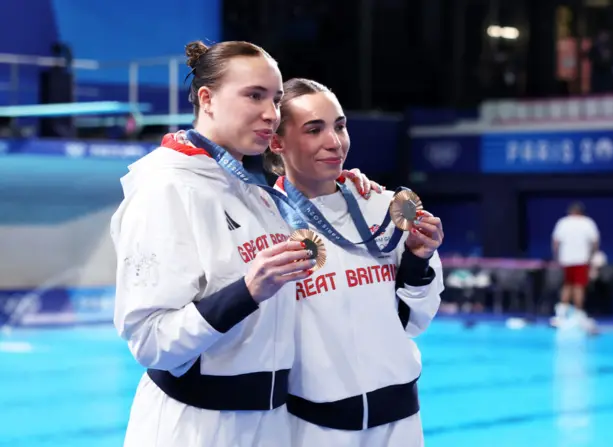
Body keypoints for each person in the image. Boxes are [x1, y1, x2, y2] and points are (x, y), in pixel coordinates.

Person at [110, 41, 380, 447]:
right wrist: (247, 291)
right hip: (196, 428)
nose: (271, 114)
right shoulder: (165, 189)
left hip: (269, 424)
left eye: (275, 98)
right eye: (254, 96)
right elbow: (151, 340)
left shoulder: (249, 192)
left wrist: (345, 187)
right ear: (208, 99)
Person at [264, 78, 445, 447]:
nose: (334, 142)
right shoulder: (263, 222)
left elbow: (414, 320)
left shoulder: (384, 207)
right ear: (277, 142)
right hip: (312, 429)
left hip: (401, 424)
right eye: (314, 129)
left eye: (340, 125)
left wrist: (417, 259)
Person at [551, 201, 600, 326]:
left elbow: (556, 242)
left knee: (567, 285)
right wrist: (592, 256)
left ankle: (561, 314)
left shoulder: (563, 223)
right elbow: (595, 242)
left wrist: (556, 257)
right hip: (581, 259)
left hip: (566, 259)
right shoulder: (587, 223)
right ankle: (578, 313)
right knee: (579, 286)